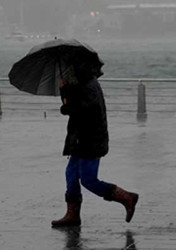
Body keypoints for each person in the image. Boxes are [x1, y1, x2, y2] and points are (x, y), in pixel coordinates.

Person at [51, 63, 139, 228]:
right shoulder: (80, 83)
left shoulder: (88, 86)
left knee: (88, 179)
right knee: (71, 175)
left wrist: (66, 107)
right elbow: (73, 103)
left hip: (90, 139)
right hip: (79, 138)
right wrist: (64, 89)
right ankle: (72, 215)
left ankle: (126, 197)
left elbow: (83, 109)